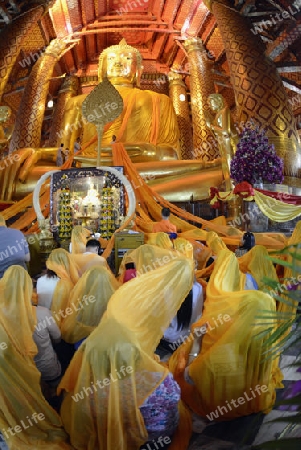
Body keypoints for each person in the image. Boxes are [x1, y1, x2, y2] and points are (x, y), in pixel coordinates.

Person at [58, 255, 195, 450]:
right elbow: (172, 404)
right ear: (135, 352)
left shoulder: (85, 386)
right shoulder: (159, 379)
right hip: (154, 439)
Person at [168, 245, 283, 420]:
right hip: (251, 398)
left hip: (214, 402)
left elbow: (189, 375)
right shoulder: (268, 353)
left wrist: (195, 344)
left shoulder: (219, 352)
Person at [61, 39, 180, 159]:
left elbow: (172, 155)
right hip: (91, 167)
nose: (118, 62)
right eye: (111, 58)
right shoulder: (77, 102)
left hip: (143, 168)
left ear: (139, 70)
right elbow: (63, 153)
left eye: (127, 58)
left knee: (196, 167)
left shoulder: (160, 100)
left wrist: (148, 151)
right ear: (101, 70)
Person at [0, 266, 70, 449]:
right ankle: (55, 407)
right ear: (28, 289)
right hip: (47, 371)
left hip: (18, 379)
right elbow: (57, 338)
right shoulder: (41, 313)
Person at [61, 265, 120, 345]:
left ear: (87, 281)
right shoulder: (115, 298)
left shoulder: (83, 299)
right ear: (108, 279)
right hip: (110, 342)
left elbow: (77, 321)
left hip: (85, 343)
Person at [158, 281, 204, 357]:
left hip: (164, 339)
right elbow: (197, 319)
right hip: (184, 341)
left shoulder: (162, 288)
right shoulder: (198, 288)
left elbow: (155, 317)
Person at [206, 93, 239, 190]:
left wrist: (210, 126)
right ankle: (230, 189)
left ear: (218, 101)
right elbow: (217, 134)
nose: (210, 105)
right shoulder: (217, 115)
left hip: (231, 144)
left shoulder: (224, 111)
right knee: (226, 169)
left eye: (211, 102)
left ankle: (235, 190)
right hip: (224, 144)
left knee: (231, 168)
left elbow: (225, 132)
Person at [33, 304, 62, 382]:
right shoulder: (41, 312)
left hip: (24, 371)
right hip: (47, 365)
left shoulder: (4, 319)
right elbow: (57, 336)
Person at [0, 213, 30, 278]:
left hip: (2, 281)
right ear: (4, 222)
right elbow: (28, 258)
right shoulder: (18, 233)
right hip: (21, 279)